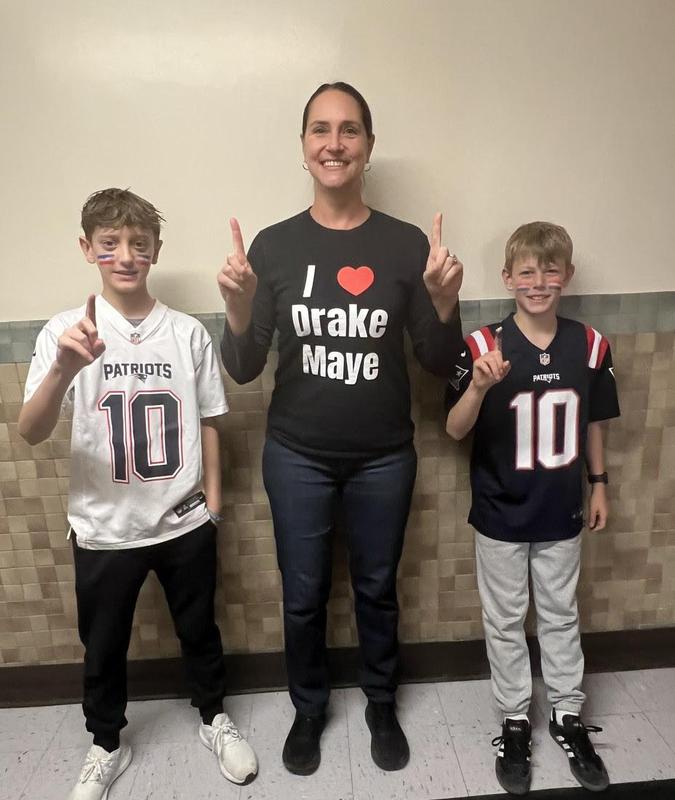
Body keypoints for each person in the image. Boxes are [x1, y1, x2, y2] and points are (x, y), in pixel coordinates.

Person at [218, 82, 464, 775]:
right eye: (320, 130)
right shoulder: (273, 247)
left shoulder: (405, 245)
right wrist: (236, 310)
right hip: (295, 455)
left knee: (377, 587)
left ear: (367, 146)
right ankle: (309, 709)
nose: (334, 143)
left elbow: (439, 361)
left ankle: (380, 702)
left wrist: (444, 306)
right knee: (301, 595)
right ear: (303, 148)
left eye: (348, 130)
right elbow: (241, 369)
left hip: (384, 457)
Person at [18, 188, 258, 799]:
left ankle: (213, 718)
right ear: (87, 250)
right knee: (101, 647)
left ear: (155, 252)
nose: (125, 256)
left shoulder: (186, 334)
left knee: (200, 628)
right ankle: (106, 743)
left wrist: (213, 507)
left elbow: (208, 421)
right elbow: (32, 430)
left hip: (183, 521)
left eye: (138, 244)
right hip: (102, 528)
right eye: (110, 244)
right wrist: (63, 371)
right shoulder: (62, 334)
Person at [445, 221, 620, 795]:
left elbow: (592, 420)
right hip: (500, 510)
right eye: (527, 271)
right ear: (507, 278)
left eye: (550, 271)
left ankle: (568, 715)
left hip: (560, 508)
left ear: (566, 276)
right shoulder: (483, 345)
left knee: (560, 613)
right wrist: (478, 387)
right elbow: (453, 430)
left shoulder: (589, 344)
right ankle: (515, 718)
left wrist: (598, 483)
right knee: (504, 619)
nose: (539, 282)